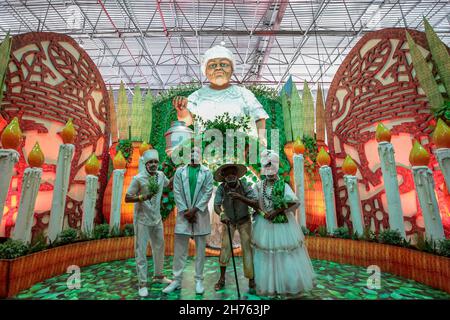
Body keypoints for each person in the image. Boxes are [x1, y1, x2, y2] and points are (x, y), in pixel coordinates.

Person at [240, 149, 316, 297]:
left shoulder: (283, 185)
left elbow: (293, 201)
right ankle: (269, 284)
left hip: (282, 226)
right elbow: (255, 202)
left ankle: (288, 283)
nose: (268, 168)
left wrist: (276, 211)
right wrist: (241, 197)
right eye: (266, 165)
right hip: (264, 224)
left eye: (271, 165)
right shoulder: (259, 185)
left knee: (284, 254)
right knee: (266, 255)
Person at [172, 44, 269, 141]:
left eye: (223, 64)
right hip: (206, 147)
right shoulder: (197, 95)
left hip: (241, 148)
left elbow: (259, 117)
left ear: (232, 69)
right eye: (213, 65)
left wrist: (261, 141)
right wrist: (182, 111)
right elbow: (187, 121)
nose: (218, 68)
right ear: (205, 71)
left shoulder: (244, 93)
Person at [163, 147, 214, 295]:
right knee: (179, 250)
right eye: (191, 153)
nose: (193, 155)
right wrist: (186, 210)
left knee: (200, 250)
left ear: (201, 156)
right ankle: (176, 280)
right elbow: (177, 191)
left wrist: (195, 210)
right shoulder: (180, 172)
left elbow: (208, 192)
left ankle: (199, 280)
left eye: (196, 152)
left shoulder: (207, 172)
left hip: (199, 215)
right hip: (184, 215)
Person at [125, 149, 172, 298]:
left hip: (157, 219)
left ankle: (159, 276)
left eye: (155, 162)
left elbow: (168, 185)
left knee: (159, 247)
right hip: (142, 220)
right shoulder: (138, 179)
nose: (153, 165)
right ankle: (142, 284)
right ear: (145, 164)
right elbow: (127, 197)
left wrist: (177, 171)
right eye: (150, 162)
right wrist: (143, 197)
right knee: (141, 251)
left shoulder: (161, 176)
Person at [213, 163, 258, 292]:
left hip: (244, 221)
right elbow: (216, 205)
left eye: (233, 172)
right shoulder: (222, 188)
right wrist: (222, 214)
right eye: (227, 174)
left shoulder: (245, 185)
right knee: (225, 247)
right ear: (223, 176)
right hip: (229, 222)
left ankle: (251, 278)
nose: (230, 176)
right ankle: (222, 279)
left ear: (237, 174)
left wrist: (240, 197)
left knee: (247, 248)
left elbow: (255, 202)